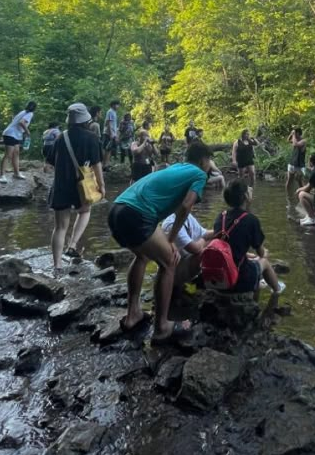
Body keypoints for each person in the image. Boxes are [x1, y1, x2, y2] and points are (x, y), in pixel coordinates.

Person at [108, 140, 214, 344]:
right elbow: (185, 207)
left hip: (117, 209)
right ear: (203, 160)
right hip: (137, 215)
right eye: (209, 161)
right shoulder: (199, 174)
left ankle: (133, 314)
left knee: (142, 256)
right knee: (169, 261)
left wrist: (168, 238)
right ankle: (162, 326)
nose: (209, 166)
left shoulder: (176, 168)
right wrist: (171, 239)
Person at [49, 102, 105, 269]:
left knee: (59, 227)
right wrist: (101, 185)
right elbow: (97, 164)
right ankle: (72, 245)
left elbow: (51, 161)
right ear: (85, 120)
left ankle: (57, 265)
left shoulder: (61, 137)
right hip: (82, 185)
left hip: (60, 185)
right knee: (85, 211)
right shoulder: (92, 138)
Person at [205, 180, 282, 297]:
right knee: (264, 262)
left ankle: (256, 285)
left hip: (217, 278)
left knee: (250, 260)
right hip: (238, 279)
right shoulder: (251, 220)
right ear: (246, 196)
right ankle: (277, 291)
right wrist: (264, 253)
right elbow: (261, 253)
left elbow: (229, 247)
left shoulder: (221, 216)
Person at [162, 210, 210, 287]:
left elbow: (204, 233)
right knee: (206, 252)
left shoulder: (186, 216)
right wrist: (203, 240)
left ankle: (201, 278)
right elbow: (195, 249)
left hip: (185, 260)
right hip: (174, 272)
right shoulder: (171, 224)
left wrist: (223, 229)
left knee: (216, 241)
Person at [0, 101, 36, 183]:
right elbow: (21, 122)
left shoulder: (23, 112)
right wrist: (27, 132)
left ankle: (16, 173)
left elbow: (14, 120)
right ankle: (2, 175)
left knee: (16, 153)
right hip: (10, 134)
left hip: (15, 134)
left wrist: (22, 132)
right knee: (8, 154)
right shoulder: (30, 114)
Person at [297, 152, 315, 227]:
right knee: (306, 193)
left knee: (301, 194)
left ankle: (312, 218)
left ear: (310, 162)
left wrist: (299, 189)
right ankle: (309, 215)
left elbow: (307, 189)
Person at [285, 126, 307, 192]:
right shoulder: (295, 139)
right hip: (292, 163)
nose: (294, 135)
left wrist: (293, 135)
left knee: (300, 181)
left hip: (300, 165)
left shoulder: (303, 141)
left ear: (298, 133)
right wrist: (291, 134)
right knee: (289, 181)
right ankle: (288, 195)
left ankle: (303, 194)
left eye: (295, 133)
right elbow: (288, 140)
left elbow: (295, 144)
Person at [102, 100, 120, 168]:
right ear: (113, 105)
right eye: (116, 104)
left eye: (118, 105)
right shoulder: (110, 112)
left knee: (109, 149)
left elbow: (114, 124)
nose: (118, 106)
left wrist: (115, 134)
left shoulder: (114, 112)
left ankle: (107, 164)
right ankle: (103, 164)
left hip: (112, 133)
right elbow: (109, 123)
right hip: (108, 133)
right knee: (106, 148)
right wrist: (111, 134)